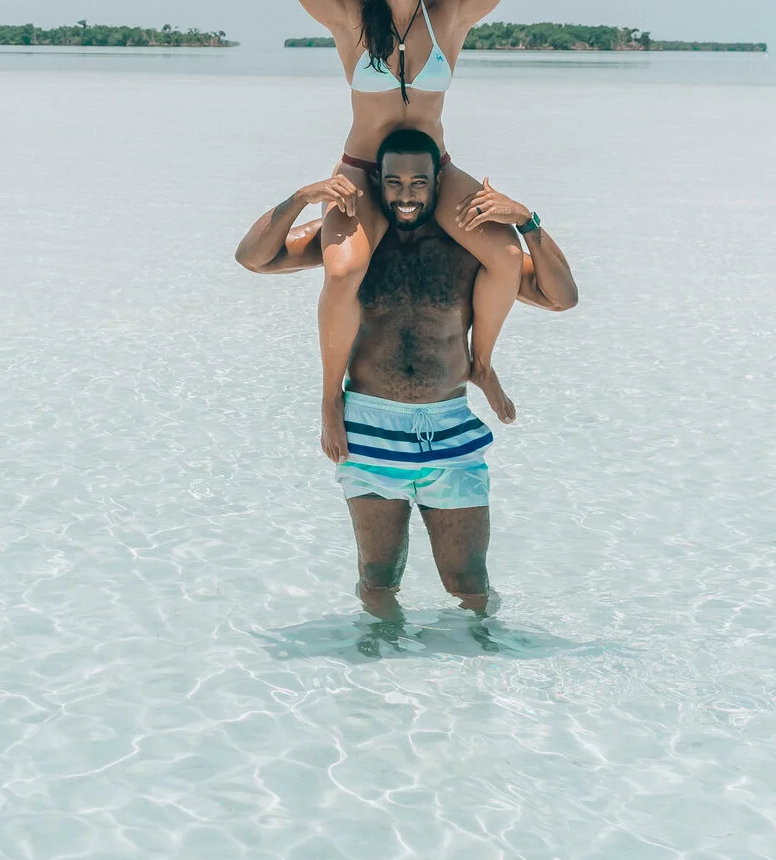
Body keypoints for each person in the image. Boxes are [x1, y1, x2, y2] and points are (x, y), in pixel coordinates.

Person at [210, 0, 611, 460]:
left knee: (504, 256)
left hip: (434, 169)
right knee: (342, 270)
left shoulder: (449, 16)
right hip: (363, 171)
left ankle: (481, 364)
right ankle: (327, 399)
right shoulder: (347, 17)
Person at [235, 132, 580, 617]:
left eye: (419, 182)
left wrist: (528, 222)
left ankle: (481, 675)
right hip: (368, 429)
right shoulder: (353, 246)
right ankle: (377, 682)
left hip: (451, 429)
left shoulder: (466, 249)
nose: (405, 195)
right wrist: (301, 199)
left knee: (470, 584)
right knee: (377, 579)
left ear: (440, 183)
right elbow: (254, 257)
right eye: (394, 182)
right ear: (377, 183)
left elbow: (561, 296)